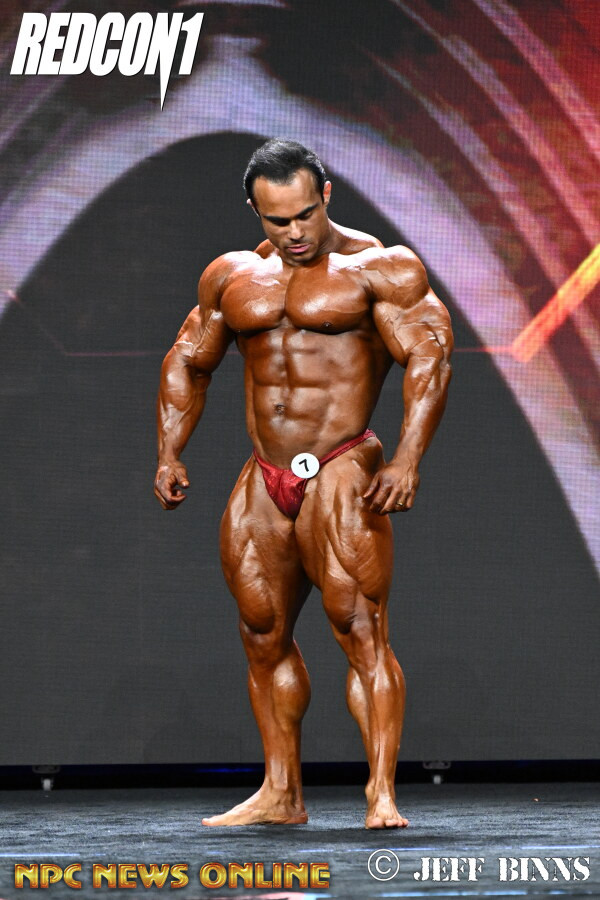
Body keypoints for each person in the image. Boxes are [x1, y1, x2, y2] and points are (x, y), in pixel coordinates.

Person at [154, 138, 453, 829]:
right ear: (255, 211)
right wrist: (169, 451)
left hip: (342, 465)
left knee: (359, 628)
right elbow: (188, 360)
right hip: (266, 475)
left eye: (303, 215)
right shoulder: (234, 276)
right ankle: (281, 793)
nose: (293, 233)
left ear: (325, 196)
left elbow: (429, 358)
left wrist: (407, 458)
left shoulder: (380, 268)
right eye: (276, 220)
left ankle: (381, 794)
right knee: (262, 633)